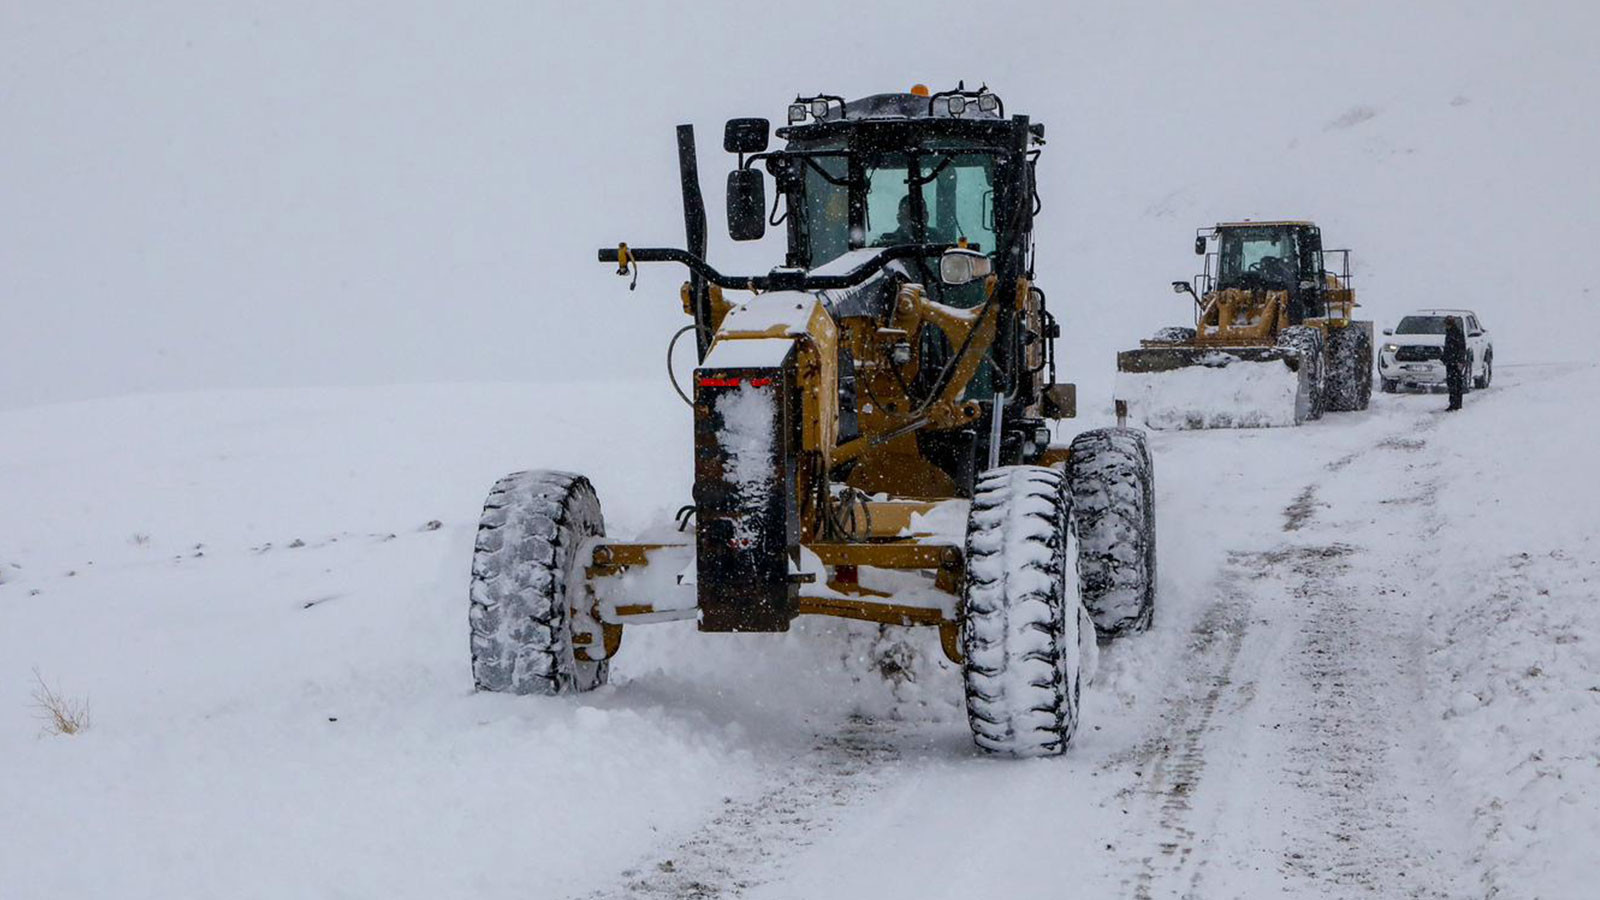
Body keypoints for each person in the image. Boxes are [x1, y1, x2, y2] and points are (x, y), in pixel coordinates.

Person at [1442, 315, 1467, 411]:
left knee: (1455, 383)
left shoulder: (1457, 333)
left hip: (1455, 362)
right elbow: (1448, 348)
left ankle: (1456, 403)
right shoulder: (1449, 333)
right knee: (1452, 382)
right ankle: (1454, 403)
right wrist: (1444, 357)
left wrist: (1460, 361)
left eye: (1446, 324)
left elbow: (1461, 348)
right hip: (1450, 361)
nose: (1445, 326)